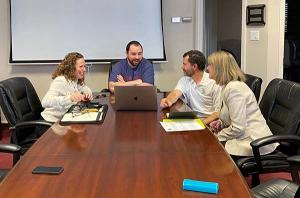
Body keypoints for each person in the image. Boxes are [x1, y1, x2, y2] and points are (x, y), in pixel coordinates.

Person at [206, 51, 277, 159]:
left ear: (219, 68)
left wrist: (217, 136)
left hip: (253, 142)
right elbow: (232, 116)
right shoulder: (227, 86)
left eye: (209, 65)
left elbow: (238, 128)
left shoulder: (234, 89)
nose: (207, 69)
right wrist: (220, 123)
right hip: (243, 137)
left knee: (209, 151)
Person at [160, 50, 222, 124]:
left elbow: (217, 113)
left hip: (209, 122)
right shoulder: (185, 80)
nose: (182, 67)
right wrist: (168, 100)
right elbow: (176, 93)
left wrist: (201, 124)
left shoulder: (214, 82)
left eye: (184, 64)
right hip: (193, 120)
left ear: (194, 66)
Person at [41, 52, 93, 122]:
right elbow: (45, 102)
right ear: (71, 68)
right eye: (81, 66)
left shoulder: (75, 80)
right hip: (50, 123)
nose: (84, 70)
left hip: (63, 120)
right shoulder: (61, 80)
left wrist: (87, 96)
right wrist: (69, 98)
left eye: (84, 66)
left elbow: (87, 91)